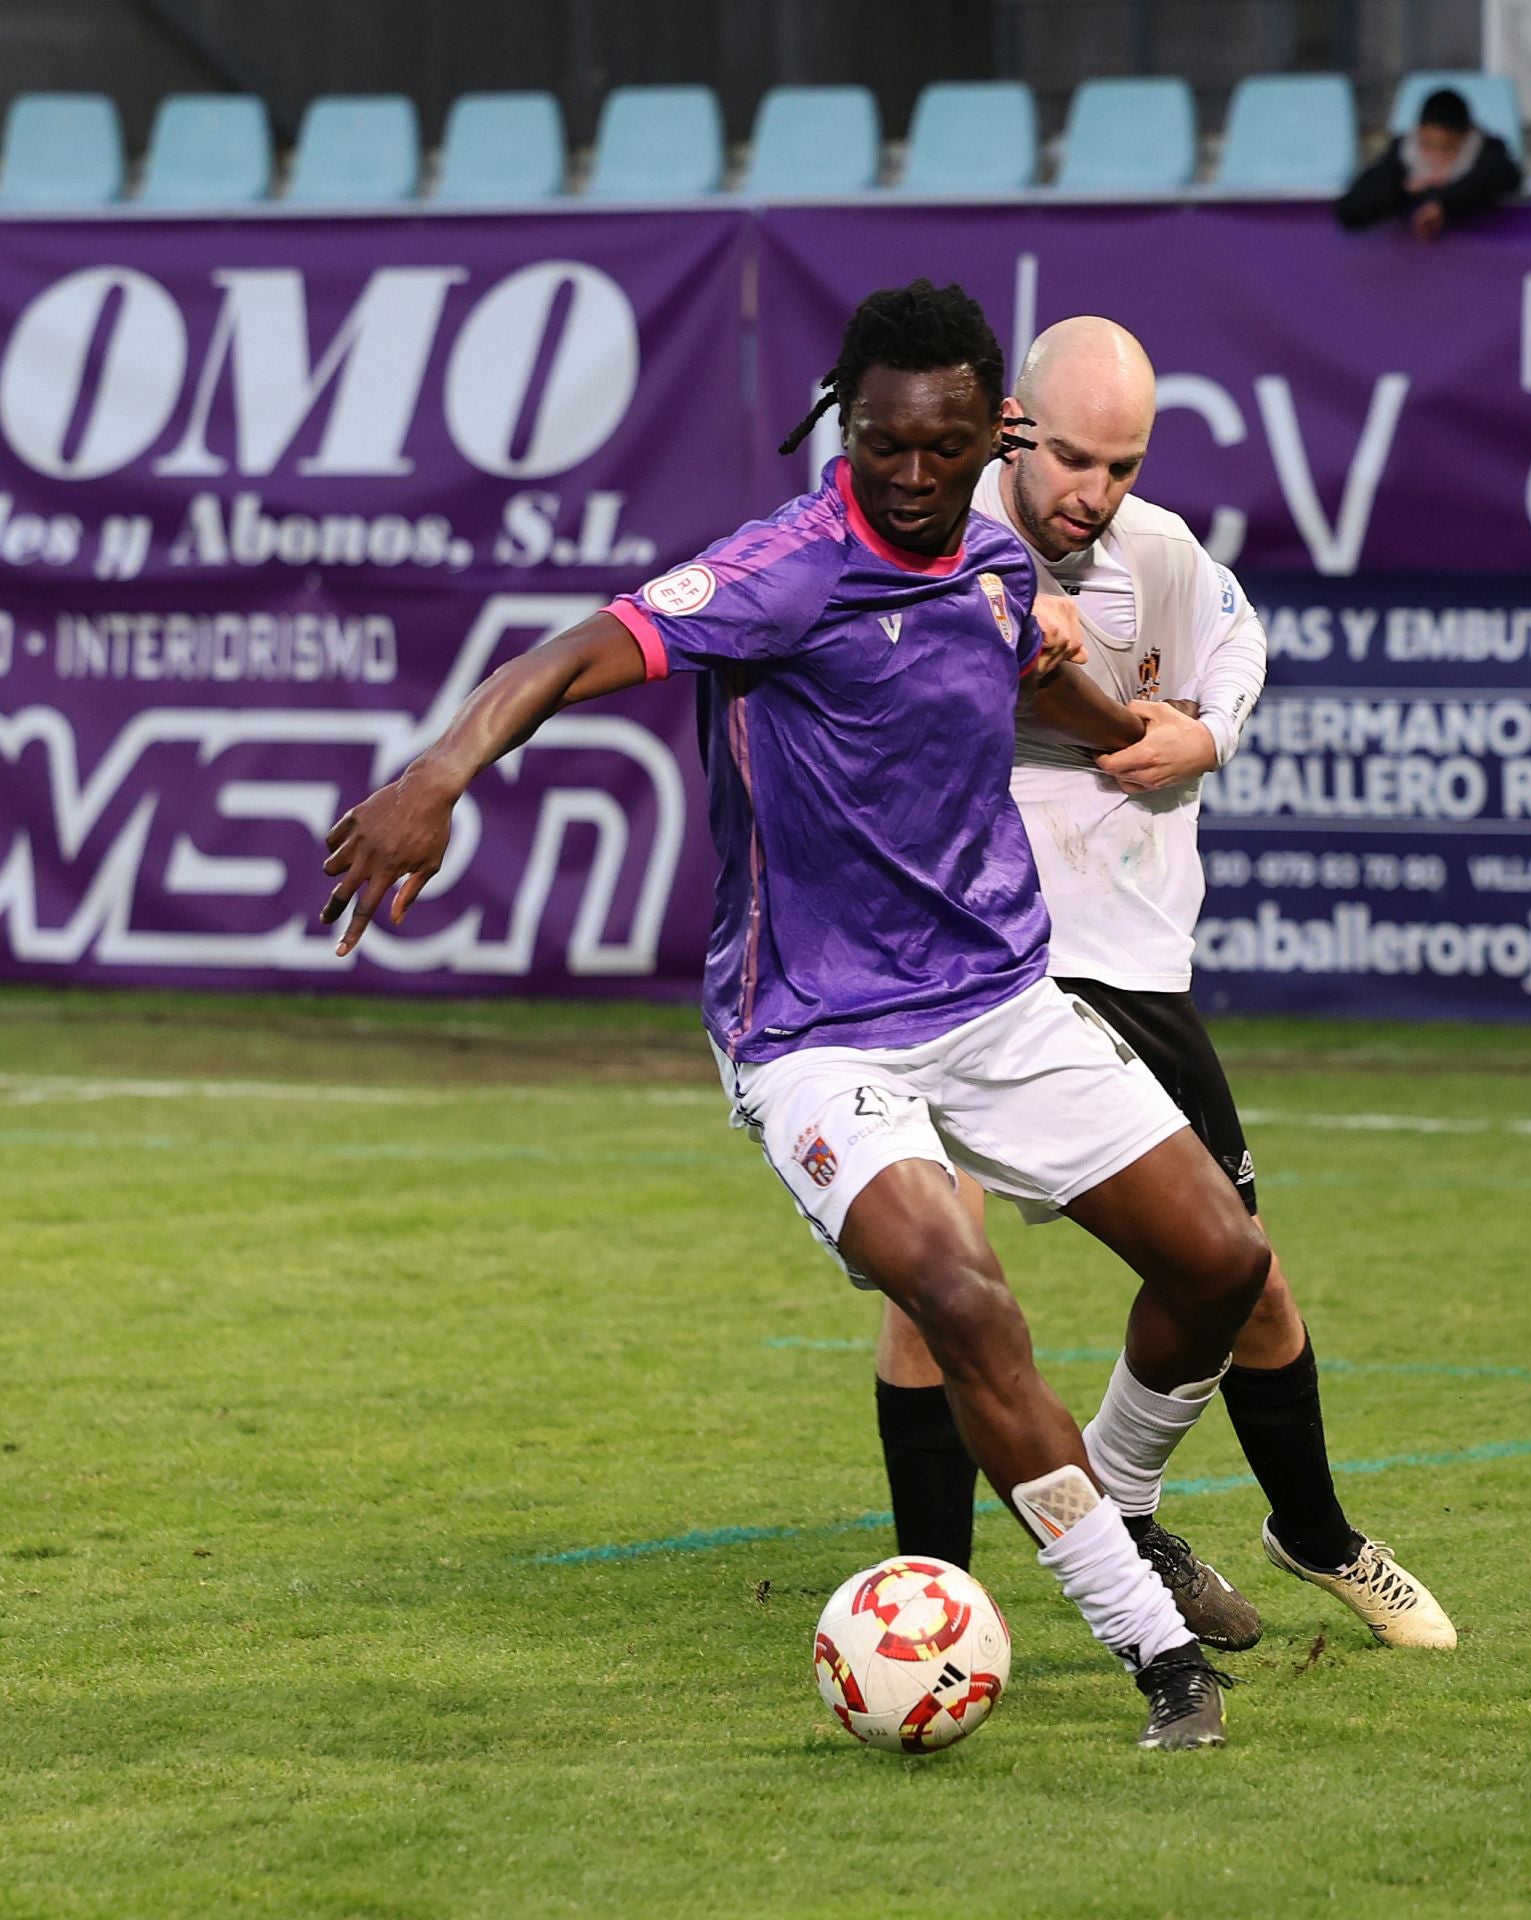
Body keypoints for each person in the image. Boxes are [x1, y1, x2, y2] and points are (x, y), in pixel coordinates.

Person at [321, 280, 1282, 1751]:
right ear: (851, 422)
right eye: (883, 441)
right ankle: (1157, 1656)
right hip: (818, 1031)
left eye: (941, 446)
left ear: (992, 435)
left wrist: (1128, 735)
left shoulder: (991, 560)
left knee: (1220, 1264)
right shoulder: (785, 568)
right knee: (958, 1293)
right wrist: (442, 773)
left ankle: (1120, 1502)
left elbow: (1032, 665)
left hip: (999, 998)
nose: (908, 472)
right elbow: (571, 654)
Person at [874, 316, 1455, 1653]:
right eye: (1074, 457)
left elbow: (1237, 644)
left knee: (1241, 1281)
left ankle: (1270, 1525)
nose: (1095, 491)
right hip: (959, 960)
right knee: (933, 1281)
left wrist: (1206, 729)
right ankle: (936, 1603)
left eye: (1123, 465)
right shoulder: (926, 533)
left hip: (1128, 960)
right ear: (1013, 424)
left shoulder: (1157, 557)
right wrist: (997, 605)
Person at [1336, 86, 1522, 240]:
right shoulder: (1402, 157)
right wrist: (1401, 190)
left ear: (1468, 138)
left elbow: (1504, 175)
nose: (1435, 156)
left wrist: (1444, 205)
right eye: (1427, 145)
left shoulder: (1490, 157)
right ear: (1417, 134)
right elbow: (1350, 210)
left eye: (1447, 148)